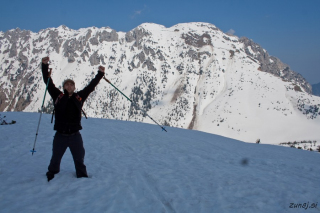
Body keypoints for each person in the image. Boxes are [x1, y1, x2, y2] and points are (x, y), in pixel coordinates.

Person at [41, 56, 105, 181]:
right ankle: (52, 173)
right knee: (55, 158)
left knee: (79, 157)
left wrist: (100, 74)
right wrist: (44, 66)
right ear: (64, 87)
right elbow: (47, 82)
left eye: (71, 84)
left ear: (74, 87)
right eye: (67, 84)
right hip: (60, 135)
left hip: (75, 135)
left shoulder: (79, 97)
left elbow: (91, 87)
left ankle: (82, 175)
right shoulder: (57, 96)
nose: (69, 86)